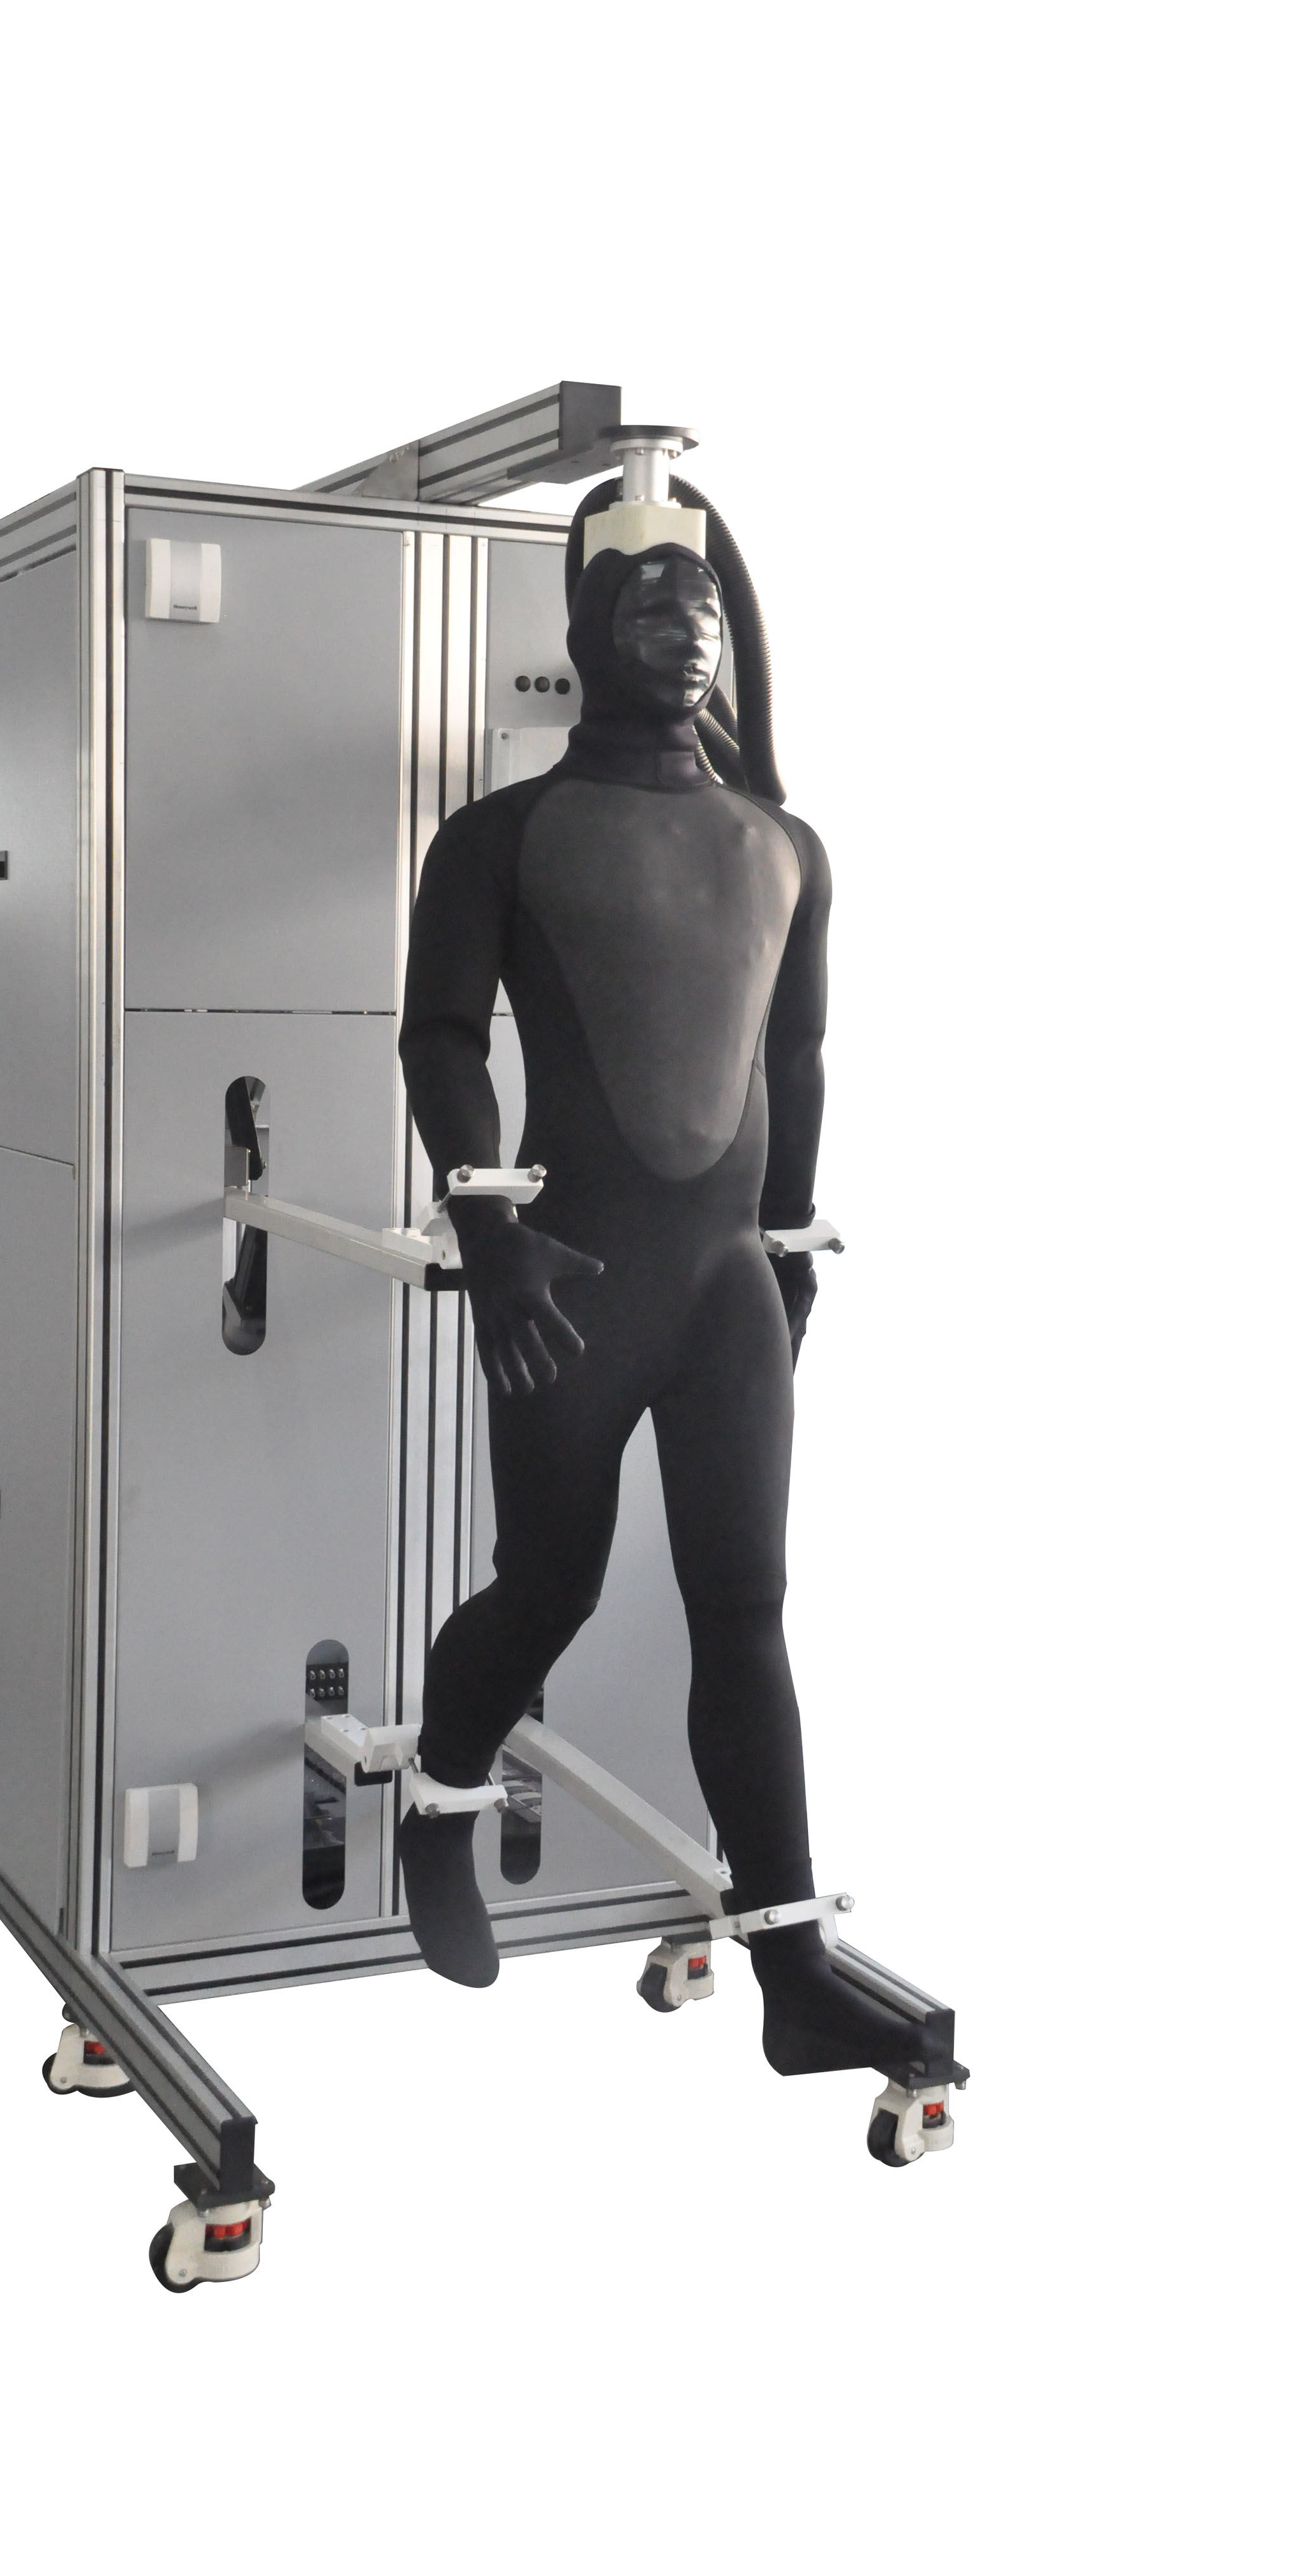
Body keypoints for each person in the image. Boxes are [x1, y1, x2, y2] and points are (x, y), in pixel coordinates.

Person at [392, 484, 925, 2074]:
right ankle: (439, 1792)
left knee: (744, 1609)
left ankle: (791, 1959)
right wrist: (486, 1227)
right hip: (569, 1276)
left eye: (701, 608)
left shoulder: (785, 846)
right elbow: (437, 1036)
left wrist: (792, 1246)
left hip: (725, 1290)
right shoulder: (500, 835)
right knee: (549, 1584)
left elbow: (798, 1058)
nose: (685, 628)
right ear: (583, 632)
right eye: (648, 603)